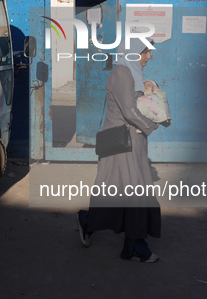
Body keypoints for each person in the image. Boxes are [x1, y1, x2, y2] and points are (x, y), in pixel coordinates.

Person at [75, 38, 161, 263]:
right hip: (123, 143)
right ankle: (135, 246)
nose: (149, 57)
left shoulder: (131, 72)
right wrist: (152, 125)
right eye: (146, 52)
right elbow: (130, 111)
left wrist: (150, 90)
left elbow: (136, 103)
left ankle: (90, 223)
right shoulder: (122, 72)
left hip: (133, 142)